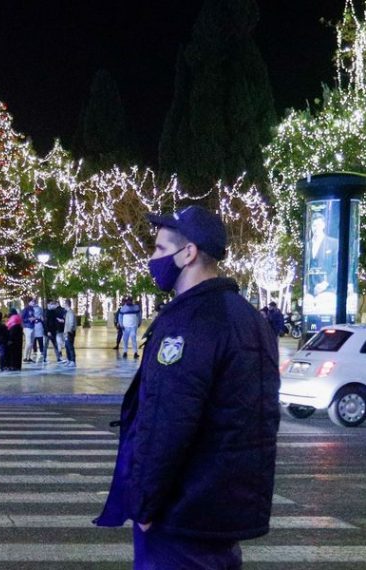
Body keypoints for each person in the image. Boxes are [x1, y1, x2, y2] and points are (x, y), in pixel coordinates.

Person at [95, 205, 280, 569]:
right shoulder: (249, 318)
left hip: (182, 514)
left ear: (189, 253)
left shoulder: (188, 322)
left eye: (161, 250)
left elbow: (167, 420)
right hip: (225, 510)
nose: (153, 259)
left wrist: (145, 504)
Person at [305, 212, 339, 296]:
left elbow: (337, 266)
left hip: (328, 290)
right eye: (314, 225)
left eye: (319, 225)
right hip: (310, 291)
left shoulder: (334, 243)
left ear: (323, 225)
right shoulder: (307, 245)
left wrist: (325, 284)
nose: (316, 228)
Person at [63, 299, 77, 366]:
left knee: (70, 346)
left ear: (66, 304)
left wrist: (69, 331)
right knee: (67, 346)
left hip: (69, 332)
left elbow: (71, 323)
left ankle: (72, 360)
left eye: (64, 304)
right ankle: (69, 359)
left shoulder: (70, 312)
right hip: (67, 332)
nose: (63, 306)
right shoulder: (68, 312)